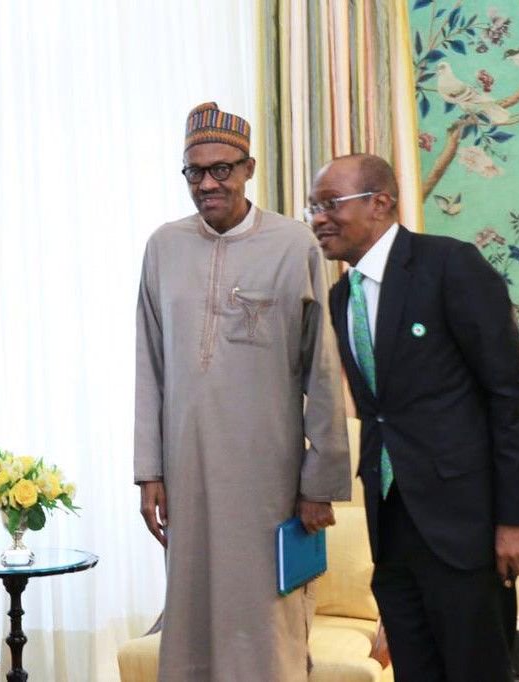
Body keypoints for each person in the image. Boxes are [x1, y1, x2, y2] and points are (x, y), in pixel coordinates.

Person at [307, 153, 519, 682]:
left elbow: (510, 393)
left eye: (330, 204)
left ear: (380, 203)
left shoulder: (449, 266)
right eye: (312, 208)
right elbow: (380, 413)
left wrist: (516, 517)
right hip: (392, 527)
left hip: (465, 525)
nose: (318, 219)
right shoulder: (341, 297)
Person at [134, 102, 351, 682]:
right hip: (187, 472)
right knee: (192, 617)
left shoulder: (294, 244)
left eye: (221, 169)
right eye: (194, 171)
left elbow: (322, 372)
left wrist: (320, 483)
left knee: (266, 624)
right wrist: (149, 472)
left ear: (249, 168)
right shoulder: (163, 247)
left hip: (269, 478)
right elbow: (148, 365)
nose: (207, 183)